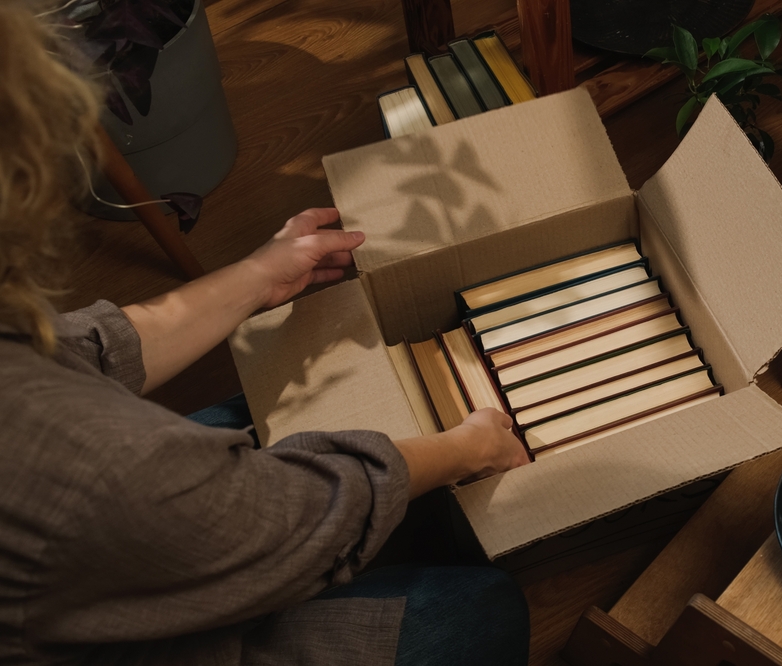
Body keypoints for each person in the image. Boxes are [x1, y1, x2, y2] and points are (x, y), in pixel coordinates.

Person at [0, 2, 531, 664]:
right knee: (482, 609)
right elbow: (293, 516)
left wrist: (257, 277)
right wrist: (466, 449)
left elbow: (76, 352)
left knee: (282, 410)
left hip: (94, 558)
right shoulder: (93, 467)